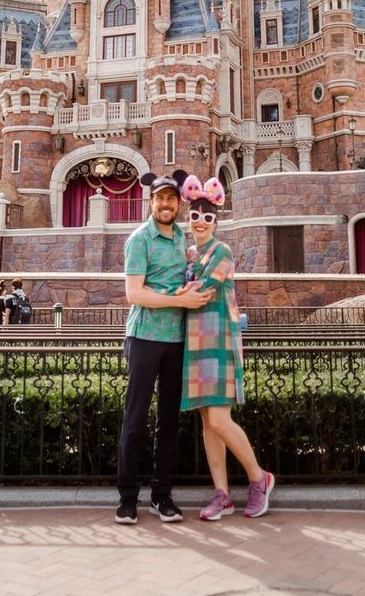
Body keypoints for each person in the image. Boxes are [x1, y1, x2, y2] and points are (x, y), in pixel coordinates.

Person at [115, 170, 214, 526]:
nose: (166, 204)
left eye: (172, 199)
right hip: (144, 338)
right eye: (160, 199)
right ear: (151, 202)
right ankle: (127, 498)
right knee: (135, 418)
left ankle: (162, 496)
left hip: (176, 340)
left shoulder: (180, 240)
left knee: (168, 422)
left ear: (178, 202)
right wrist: (181, 302)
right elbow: (134, 294)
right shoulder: (140, 239)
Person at [177, 175, 275, 521]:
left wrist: (176, 294)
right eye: (195, 215)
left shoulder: (221, 251)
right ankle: (222, 495)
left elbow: (200, 291)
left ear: (216, 221)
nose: (201, 221)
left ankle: (258, 477)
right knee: (208, 423)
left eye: (208, 217)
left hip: (218, 340)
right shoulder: (189, 252)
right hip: (194, 342)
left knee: (219, 419)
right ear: (187, 219)